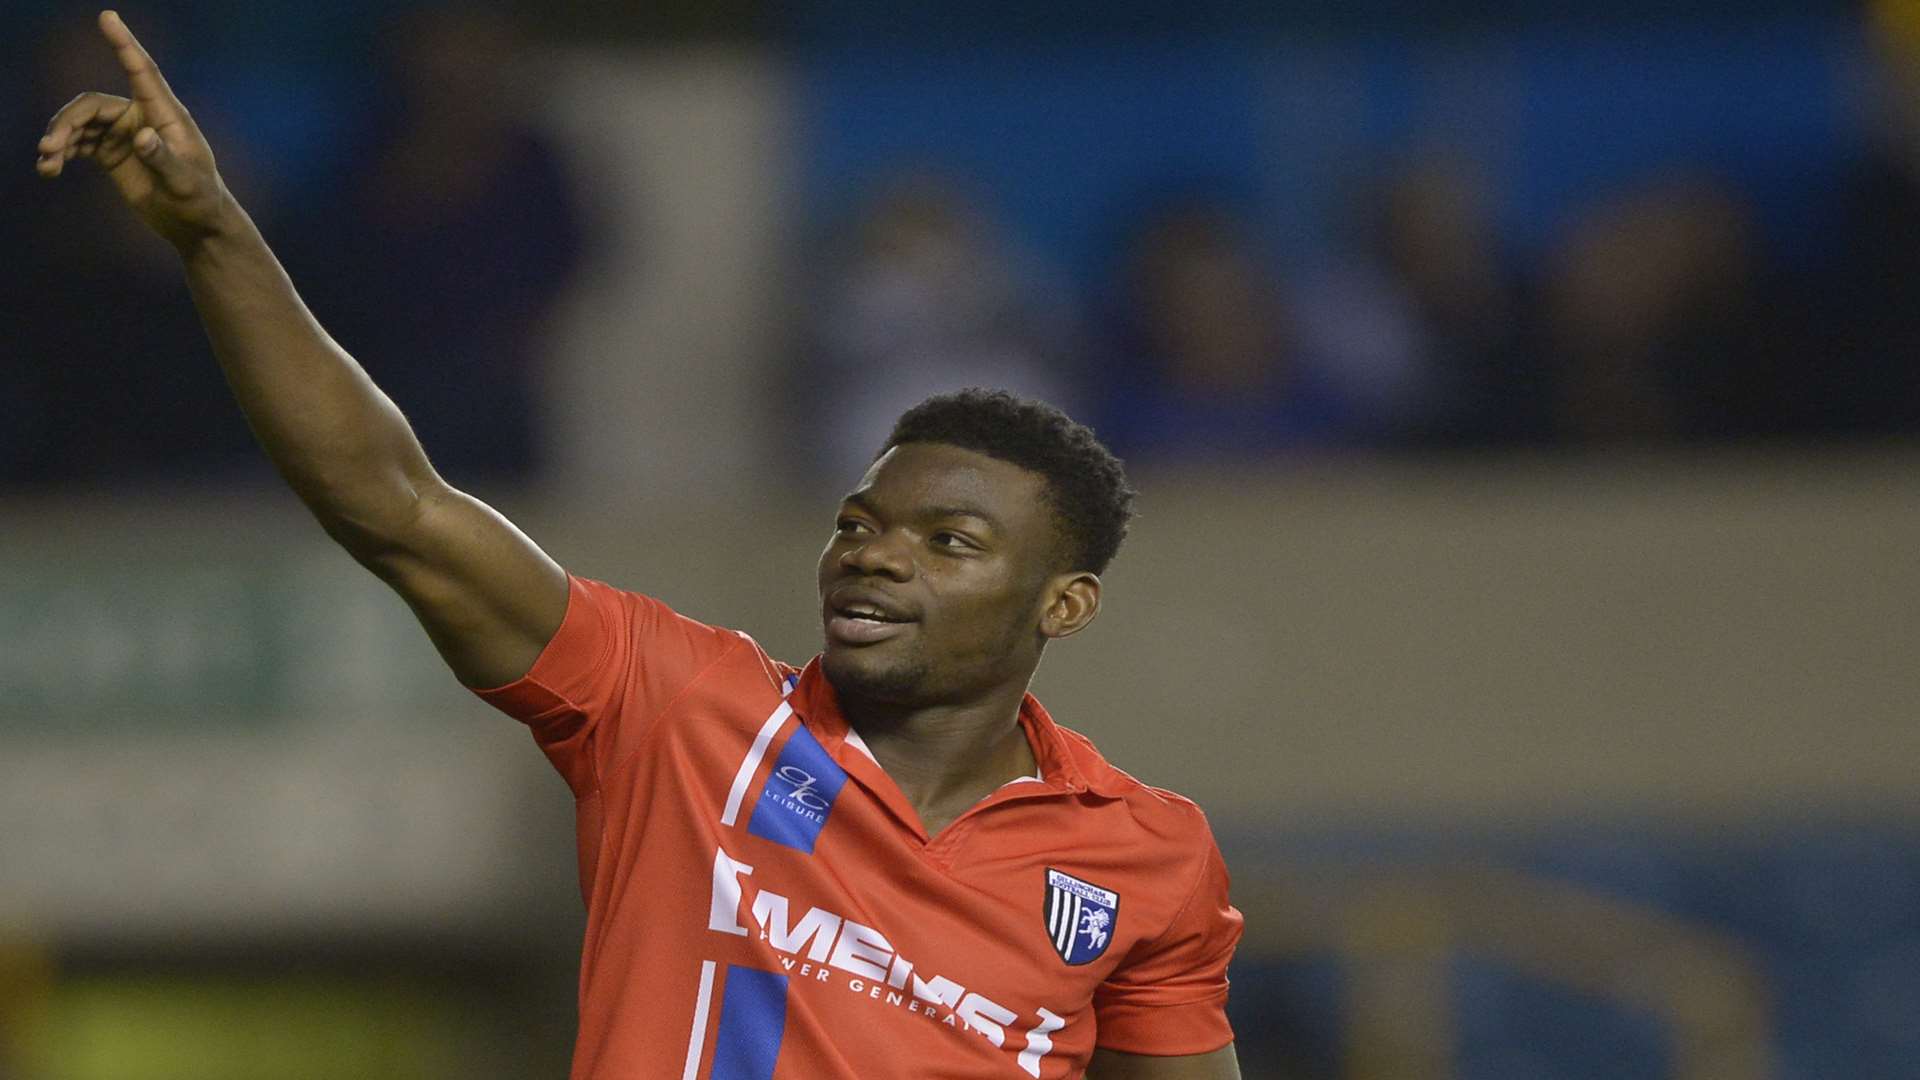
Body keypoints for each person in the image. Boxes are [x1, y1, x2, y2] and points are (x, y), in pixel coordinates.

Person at [36, 13, 1242, 1078]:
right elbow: (395, 505)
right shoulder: (677, 710)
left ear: (1064, 604)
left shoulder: (1146, 854)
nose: (875, 556)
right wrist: (214, 239)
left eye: (949, 541)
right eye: (858, 524)